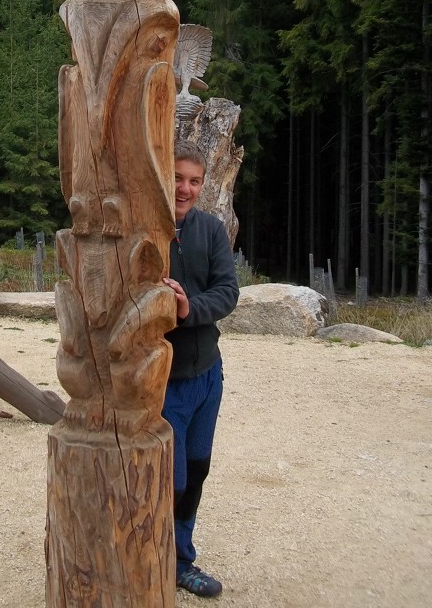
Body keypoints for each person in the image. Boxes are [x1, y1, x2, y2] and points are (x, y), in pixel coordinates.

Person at [162, 139, 240, 598]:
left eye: (194, 181)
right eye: (176, 177)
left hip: (208, 373)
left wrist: (189, 307)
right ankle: (156, 559)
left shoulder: (210, 230)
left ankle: (181, 559)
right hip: (163, 381)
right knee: (168, 479)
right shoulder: (144, 229)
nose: (185, 189)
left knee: (196, 470)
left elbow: (227, 291)